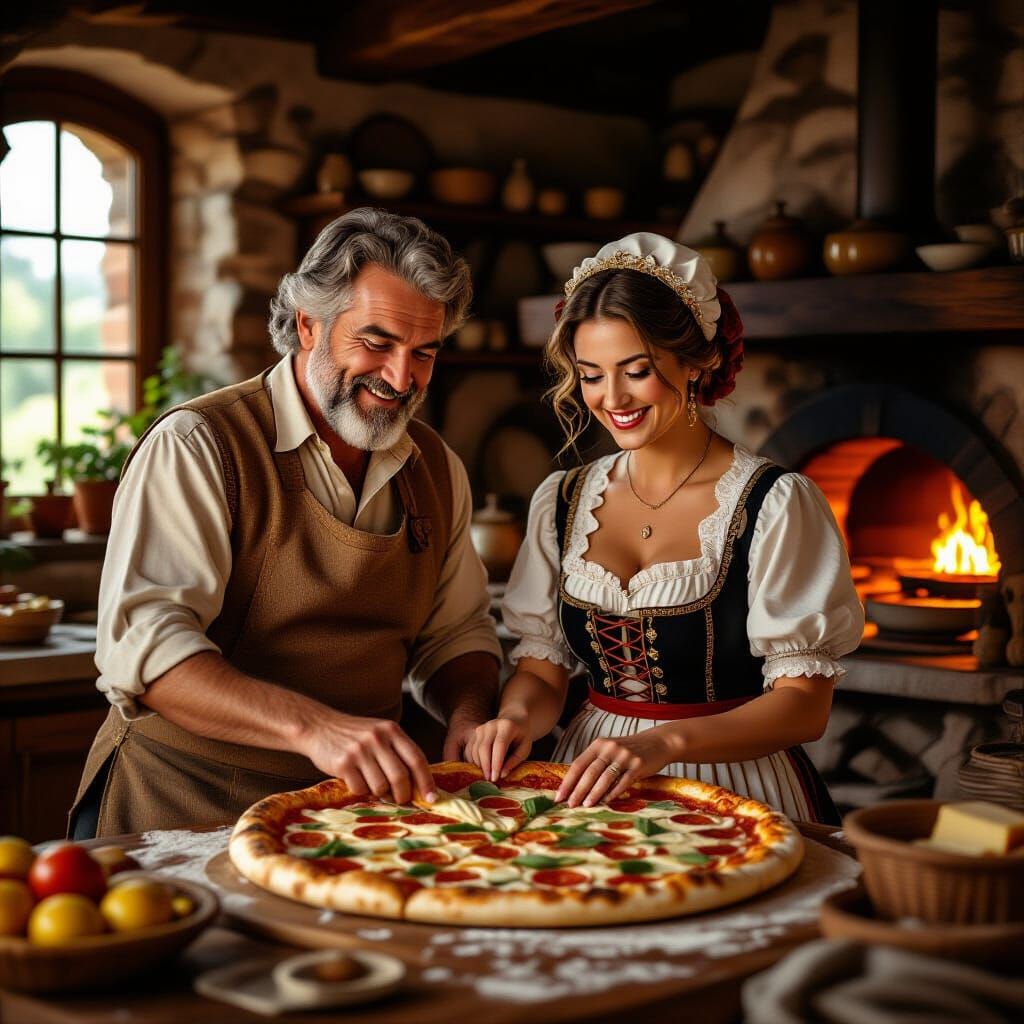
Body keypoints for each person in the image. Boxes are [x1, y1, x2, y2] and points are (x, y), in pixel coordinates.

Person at [72, 208, 502, 838]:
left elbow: (457, 635)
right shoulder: (199, 445)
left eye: (424, 353)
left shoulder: (436, 467)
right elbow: (151, 651)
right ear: (308, 325)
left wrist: (467, 714)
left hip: (360, 822)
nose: (402, 377)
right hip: (182, 807)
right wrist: (316, 728)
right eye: (377, 342)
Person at [465, 233, 863, 823]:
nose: (612, 397)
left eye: (637, 370)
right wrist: (516, 719)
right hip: (590, 777)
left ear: (699, 360)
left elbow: (804, 707)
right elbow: (542, 672)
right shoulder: (562, 500)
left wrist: (664, 743)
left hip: (734, 783)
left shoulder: (775, 503)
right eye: (591, 374)